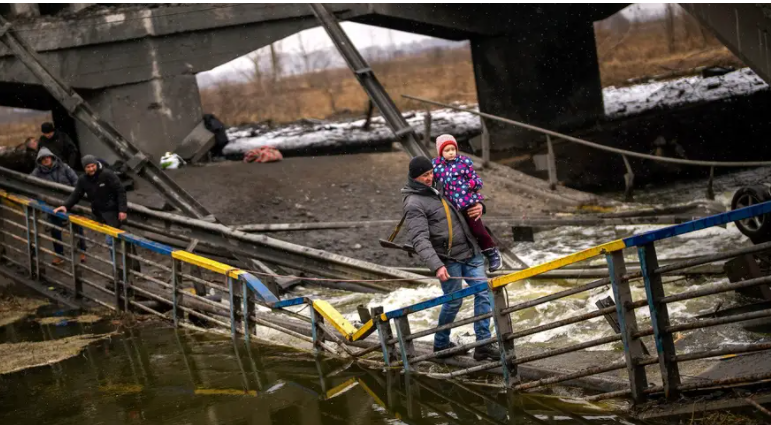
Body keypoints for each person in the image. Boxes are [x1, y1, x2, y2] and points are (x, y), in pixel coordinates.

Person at [402, 156, 497, 361]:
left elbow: (468, 197)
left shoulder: (445, 185)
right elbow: (419, 239)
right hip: (448, 259)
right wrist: (436, 265)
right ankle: (441, 344)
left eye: (430, 173)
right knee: (454, 301)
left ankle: (484, 345)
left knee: (483, 293)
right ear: (414, 177)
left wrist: (480, 205)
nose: (429, 178)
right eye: (423, 176)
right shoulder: (413, 203)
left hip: (471, 252)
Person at [432, 134, 502, 272]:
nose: (451, 152)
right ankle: (468, 261)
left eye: (453, 149)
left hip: (467, 202)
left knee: (478, 230)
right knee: (459, 233)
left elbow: (478, 181)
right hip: (450, 206)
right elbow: (430, 181)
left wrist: (471, 184)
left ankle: (492, 253)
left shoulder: (464, 162)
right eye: (447, 150)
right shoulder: (436, 166)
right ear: (441, 152)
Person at [30, 148, 87, 265]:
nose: (46, 160)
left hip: (70, 202)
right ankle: (59, 255)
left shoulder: (64, 167)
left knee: (78, 228)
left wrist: (75, 197)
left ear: (52, 157)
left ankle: (82, 251)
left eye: (47, 157)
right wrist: (43, 200)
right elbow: (29, 184)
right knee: (55, 230)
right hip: (53, 204)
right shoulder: (37, 173)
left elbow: (76, 181)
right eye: (43, 159)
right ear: (39, 161)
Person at [53, 155, 127, 230]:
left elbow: (120, 191)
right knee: (106, 237)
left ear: (96, 164)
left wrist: (122, 210)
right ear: (84, 168)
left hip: (113, 212)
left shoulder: (107, 174)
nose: (91, 169)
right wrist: (65, 206)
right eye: (88, 167)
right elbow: (76, 194)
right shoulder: (83, 180)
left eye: (93, 166)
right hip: (98, 214)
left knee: (113, 238)